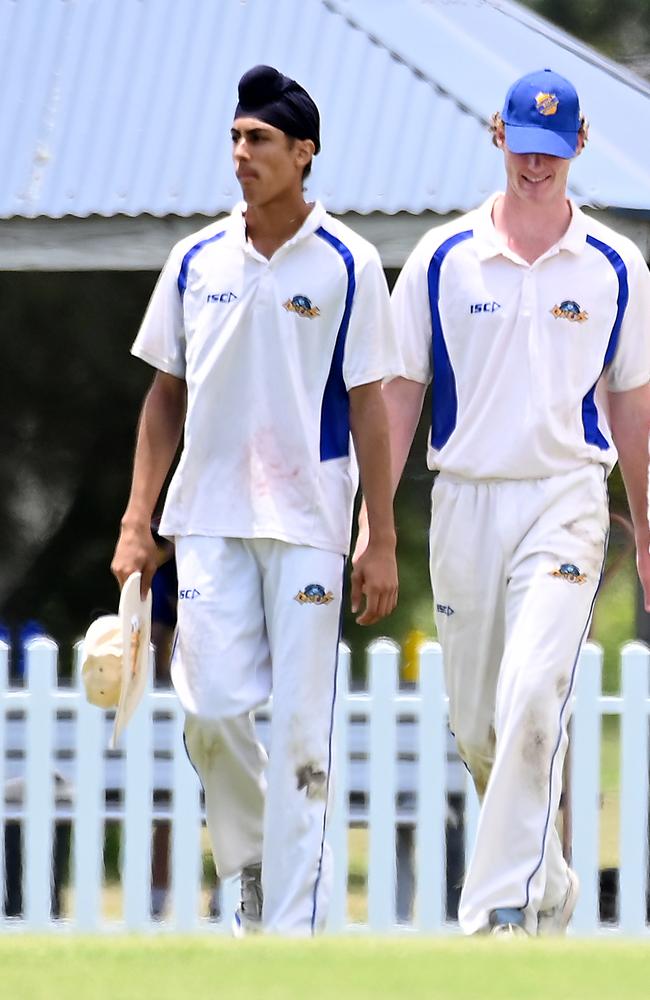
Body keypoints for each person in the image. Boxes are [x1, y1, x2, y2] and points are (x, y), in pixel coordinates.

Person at [356, 68, 650, 936]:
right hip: (465, 501)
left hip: (567, 500)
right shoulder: (446, 258)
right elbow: (400, 393)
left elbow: (633, 404)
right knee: (484, 730)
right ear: (498, 135)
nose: (536, 165)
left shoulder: (614, 268)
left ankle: (490, 912)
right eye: (523, 145)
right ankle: (552, 877)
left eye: (553, 152)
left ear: (580, 147)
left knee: (534, 693)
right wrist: (376, 527)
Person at [111, 64, 401, 935]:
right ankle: (245, 868)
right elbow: (167, 392)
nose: (241, 152)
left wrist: (377, 536)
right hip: (206, 518)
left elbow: (371, 404)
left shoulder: (349, 260)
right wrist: (136, 522)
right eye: (236, 137)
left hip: (311, 522)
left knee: (304, 734)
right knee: (208, 711)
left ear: (303, 153)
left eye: (260, 139)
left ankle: (291, 934)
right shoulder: (195, 258)